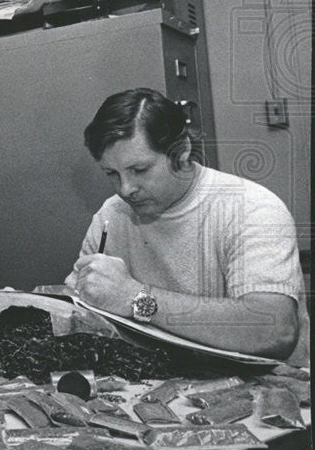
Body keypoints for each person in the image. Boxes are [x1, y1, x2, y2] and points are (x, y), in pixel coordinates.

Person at [66, 88, 304, 360]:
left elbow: (274, 331)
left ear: (181, 151)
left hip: (260, 389)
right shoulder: (112, 214)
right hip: (157, 382)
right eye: (112, 173)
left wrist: (135, 298)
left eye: (139, 170)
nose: (126, 189)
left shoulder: (251, 208)